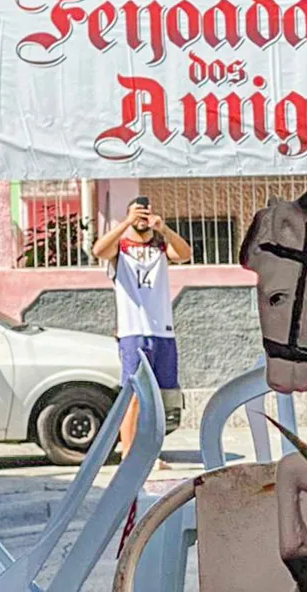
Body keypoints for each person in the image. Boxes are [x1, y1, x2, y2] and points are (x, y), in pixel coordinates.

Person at [93, 197, 193, 470]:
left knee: (157, 397)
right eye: (137, 213)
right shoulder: (120, 249)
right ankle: (127, 454)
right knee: (134, 394)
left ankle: (150, 454)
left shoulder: (160, 247)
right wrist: (126, 222)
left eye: (145, 213)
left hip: (162, 331)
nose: (142, 218)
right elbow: (99, 250)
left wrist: (164, 229)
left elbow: (184, 254)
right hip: (133, 331)